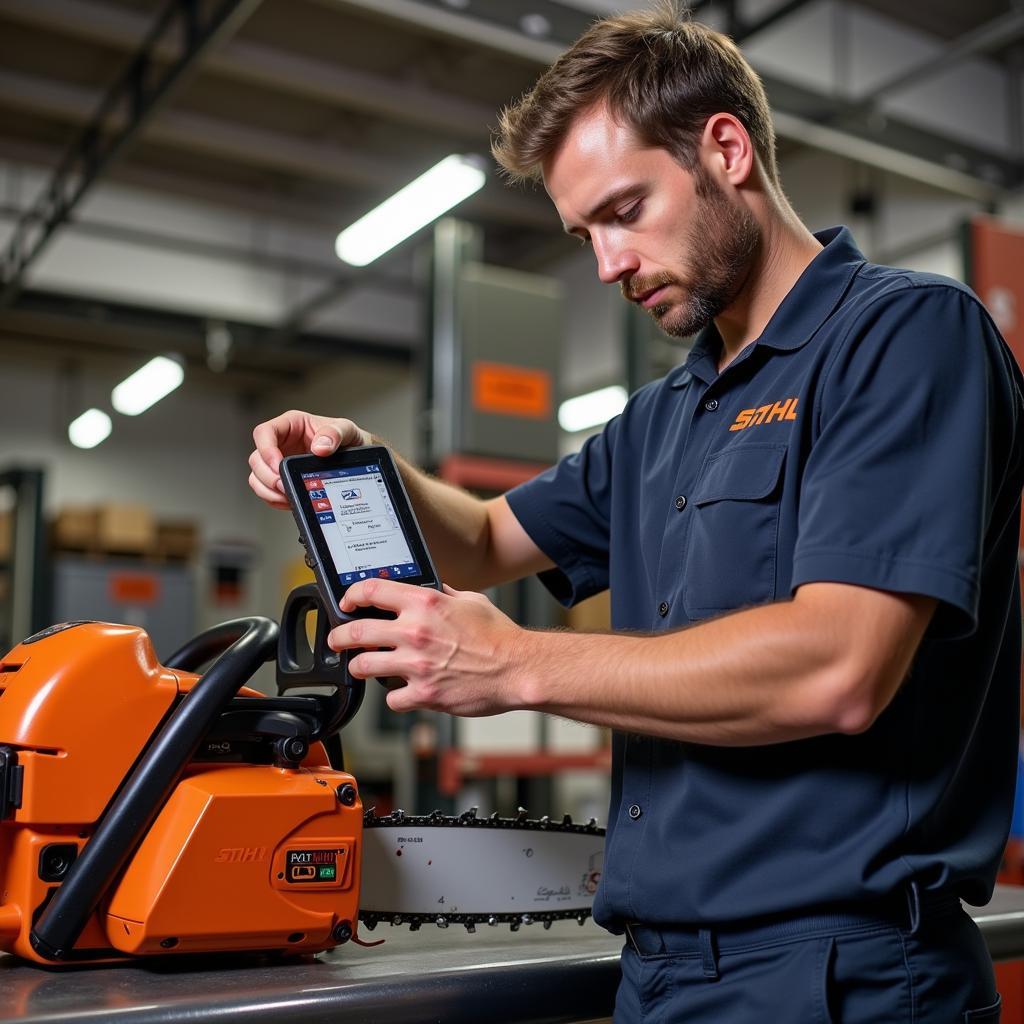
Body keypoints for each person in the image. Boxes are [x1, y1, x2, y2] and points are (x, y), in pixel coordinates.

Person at [249, 5, 1024, 1020]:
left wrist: (516, 662)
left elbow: (840, 667)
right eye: (586, 235)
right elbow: (485, 540)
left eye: (625, 211)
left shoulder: (905, 339)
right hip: (658, 975)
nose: (608, 264)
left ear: (726, 148)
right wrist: (369, 461)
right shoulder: (661, 417)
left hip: (840, 975)